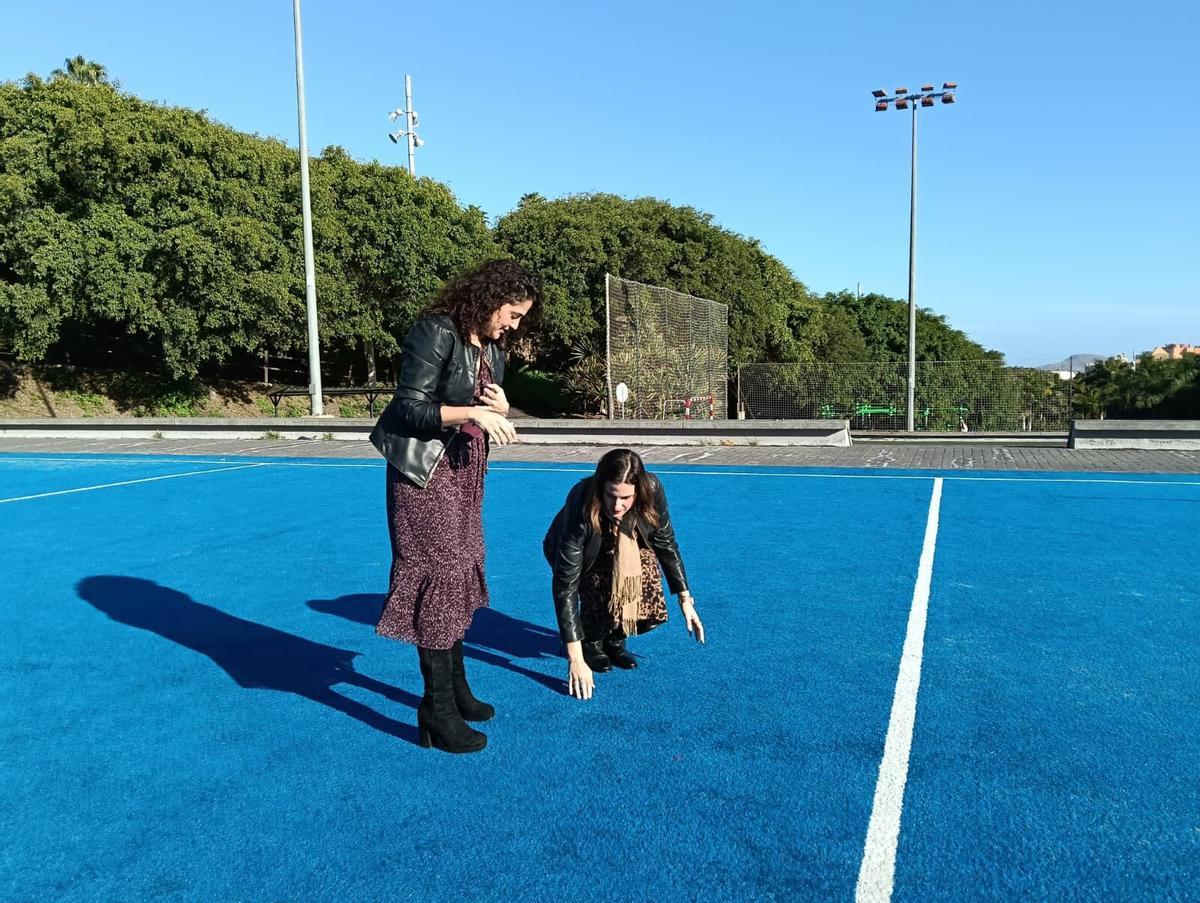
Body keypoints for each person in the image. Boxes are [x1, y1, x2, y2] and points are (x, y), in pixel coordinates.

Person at [369, 258, 539, 753]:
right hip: (426, 475)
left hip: (465, 473)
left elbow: (485, 407)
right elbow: (406, 408)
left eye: (521, 317)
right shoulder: (435, 331)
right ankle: (436, 710)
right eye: (511, 313)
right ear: (487, 300)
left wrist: (502, 408)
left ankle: (456, 689)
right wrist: (473, 412)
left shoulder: (492, 349)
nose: (514, 324)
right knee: (439, 578)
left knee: (460, 572)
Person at [543, 448, 704, 701]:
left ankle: (616, 639)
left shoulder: (652, 488)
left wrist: (685, 599)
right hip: (581, 554)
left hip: (623, 544)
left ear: (638, 491)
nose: (618, 505)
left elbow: (665, 542)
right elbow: (566, 584)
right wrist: (575, 658)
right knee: (596, 583)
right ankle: (592, 641)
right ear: (600, 488)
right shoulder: (582, 500)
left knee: (644, 567)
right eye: (611, 495)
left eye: (626, 498)